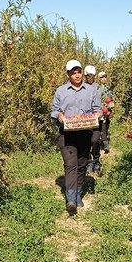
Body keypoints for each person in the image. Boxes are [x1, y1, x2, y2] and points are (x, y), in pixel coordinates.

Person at [51, 60, 102, 215]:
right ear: (68, 75)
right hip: (67, 135)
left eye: (79, 71)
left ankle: (78, 193)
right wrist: (58, 115)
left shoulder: (92, 91)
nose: (77, 75)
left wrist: (98, 114)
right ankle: (71, 199)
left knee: (81, 165)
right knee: (70, 164)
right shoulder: (60, 91)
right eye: (73, 72)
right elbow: (54, 111)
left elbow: (98, 109)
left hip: (85, 133)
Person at [83, 65, 102, 174]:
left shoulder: (98, 88)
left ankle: (96, 159)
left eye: (92, 76)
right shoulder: (82, 88)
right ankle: (89, 161)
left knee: (95, 140)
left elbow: (105, 101)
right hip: (85, 120)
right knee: (86, 141)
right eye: (88, 76)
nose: (90, 78)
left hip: (97, 120)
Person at [97, 71, 114, 154]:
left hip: (107, 110)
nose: (104, 79)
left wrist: (110, 109)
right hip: (101, 110)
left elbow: (111, 99)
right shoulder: (97, 88)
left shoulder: (108, 88)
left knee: (107, 125)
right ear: (99, 79)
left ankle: (103, 140)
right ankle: (105, 144)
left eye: (105, 77)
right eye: (102, 77)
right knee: (103, 126)